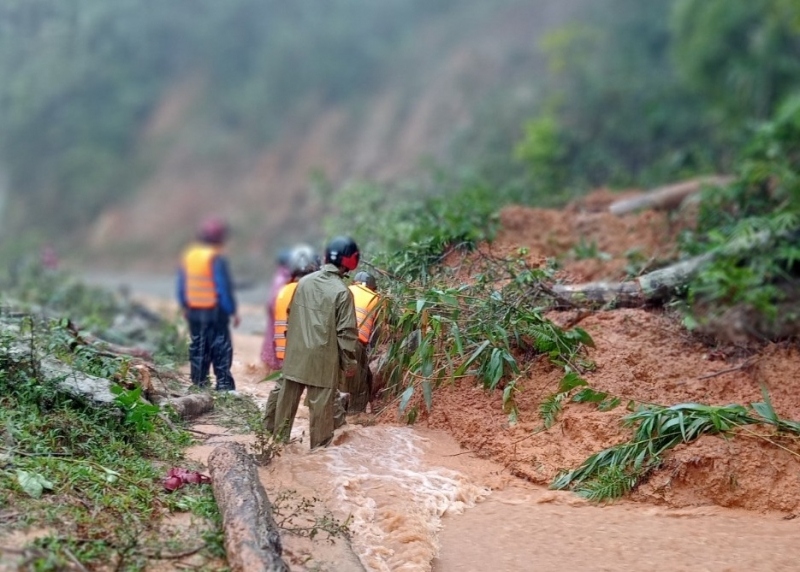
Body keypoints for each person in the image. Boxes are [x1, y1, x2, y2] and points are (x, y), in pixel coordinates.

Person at [274, 236, 359, 449]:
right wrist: (349, 365)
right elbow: (346, 335)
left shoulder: (303, 282)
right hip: (323, 363)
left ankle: (275, 449)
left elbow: (290, 315)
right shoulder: (342, 292)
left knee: (284, 412)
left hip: (295, 358)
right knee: (321, 426)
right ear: (350, 261)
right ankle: (319, 460)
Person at [176, 216, 240, 391]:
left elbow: (182, 285)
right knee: (220, 346)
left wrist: (185, 305)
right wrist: (232, 311)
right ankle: (224, 385)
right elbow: (223, 288)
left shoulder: (189, 256)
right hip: (215, 310)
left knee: (198, 345)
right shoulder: (216, 258)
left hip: (195, 310)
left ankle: (199, 383)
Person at [262, 244, 319, 432]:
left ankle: (269, 431)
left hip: (285, 352)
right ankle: (326, 446)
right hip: (301, 352)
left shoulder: (284, 290)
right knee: (320, 394)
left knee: (281, 390)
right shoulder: (306, 291)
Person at [344, 271, 380, 413]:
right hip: (355, 342)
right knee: (360, 382)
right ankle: (355, 416)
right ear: (372, 287)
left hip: (333, 341)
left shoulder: (345, 290)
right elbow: (378, 328)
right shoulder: (375, 298)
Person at [261, 248, 293, 369]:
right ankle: (278, 367)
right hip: (280, 315)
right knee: (279, 341)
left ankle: (272, 367)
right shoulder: (284, 278)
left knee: (273, 340)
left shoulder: (278, 276)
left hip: (275, 315)